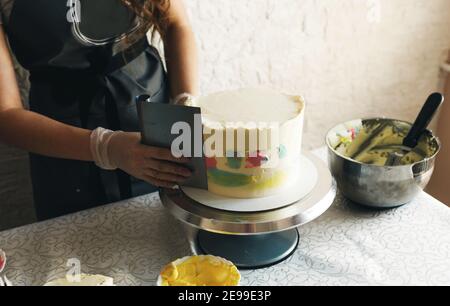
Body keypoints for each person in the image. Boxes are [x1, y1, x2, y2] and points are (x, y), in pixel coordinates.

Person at [0, 0, 196, 220]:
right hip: (63, 143)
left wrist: (184, 102)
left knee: (170, 233)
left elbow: (176, 24)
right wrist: (106, 147)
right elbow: (5, 114)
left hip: (152, 119)